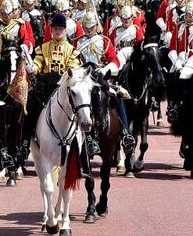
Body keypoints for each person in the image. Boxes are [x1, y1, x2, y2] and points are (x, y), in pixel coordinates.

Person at [76, 10, 135, 156]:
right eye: (86, 27)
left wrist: (104, 70)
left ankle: (125, 132)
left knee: (116, 95)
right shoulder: (77, 41)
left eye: (91, 27)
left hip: (100, 78)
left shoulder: (104, 41)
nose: (88, 30)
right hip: (83, 79)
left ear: (96, 26)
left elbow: (114, 61)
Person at [21, 13, 81, 155]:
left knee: (81, 105)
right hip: (46, 83)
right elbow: (38, 62)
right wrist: (33, 67)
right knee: (31, 104)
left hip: (64, 84)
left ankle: (89, 142)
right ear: (51, 30)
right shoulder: (44, 48)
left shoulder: (72, 50)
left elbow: (73, 68)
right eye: (55, 28)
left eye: (60, 28)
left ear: (65, 30)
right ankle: (24, 143)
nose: (57, 31)